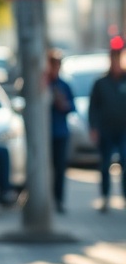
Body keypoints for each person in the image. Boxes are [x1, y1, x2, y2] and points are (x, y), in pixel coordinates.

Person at [87, 47, 126, 212]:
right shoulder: (101, 83)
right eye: (113, 59)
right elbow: (93, 107)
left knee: (125, 163)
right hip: (106, 130)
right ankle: (104, 197)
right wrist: (94, 127)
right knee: (105, 165)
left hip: (124, 130)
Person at [45, 49, 75, 214]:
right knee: (45, 169)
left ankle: (59, 200)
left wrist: (63, 103)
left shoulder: (64, 85)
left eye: (57, 66)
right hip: (45, 135)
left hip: (61, 133)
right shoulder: (43, 84)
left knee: (60, 168)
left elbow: (72, 107)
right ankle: (46, 199)